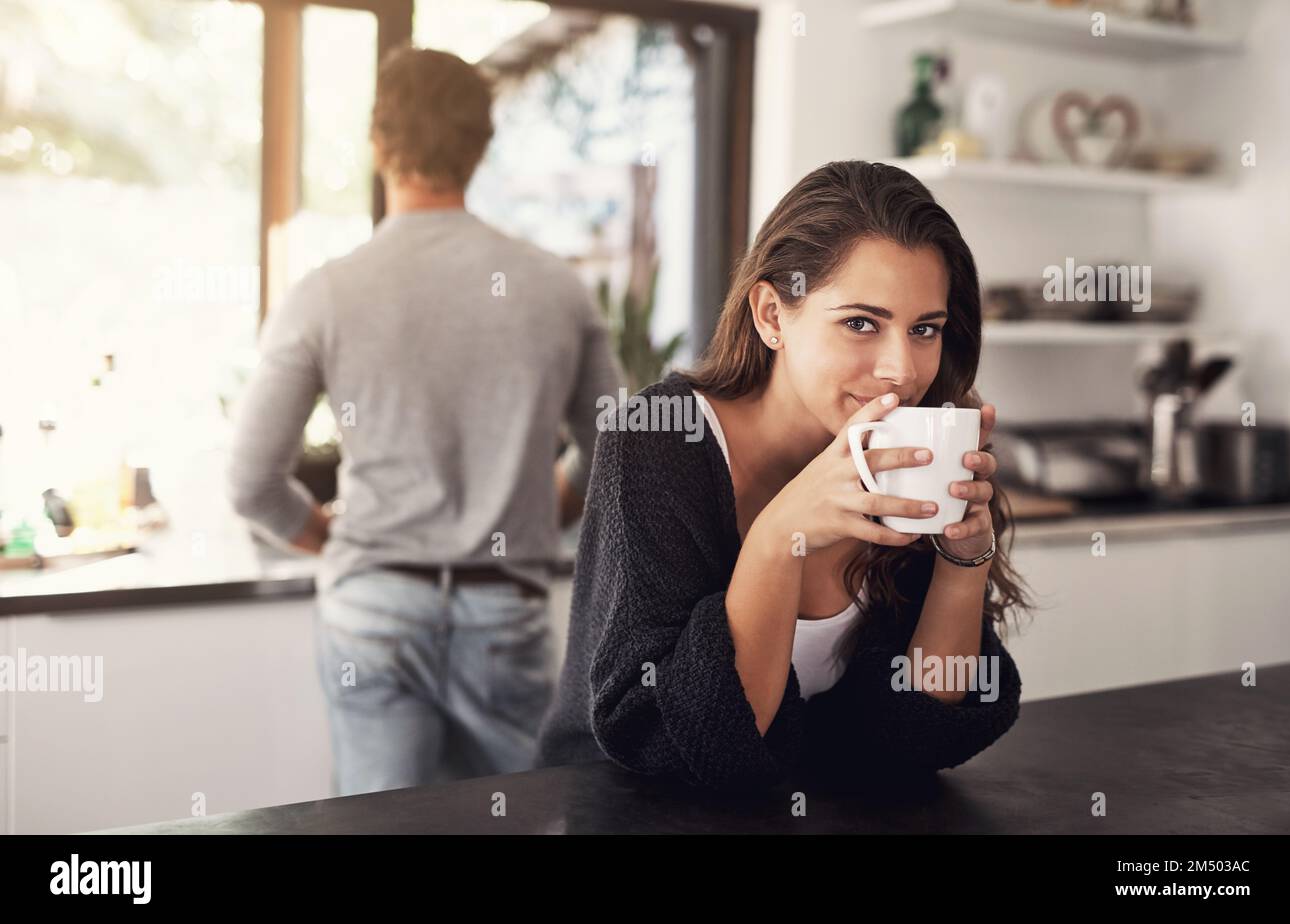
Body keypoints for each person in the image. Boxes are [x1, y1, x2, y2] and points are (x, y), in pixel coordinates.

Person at [536, 160, 1034, 792]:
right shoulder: (658, 440)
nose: (900, 371)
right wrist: (779, 537)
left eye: (924, 330)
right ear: (772, 315)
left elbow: (918, 734)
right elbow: (679, 743)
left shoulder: (915, 444)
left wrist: (962, 562)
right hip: (618, 805)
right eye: (861, 323)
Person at [227, 47, 622, 795]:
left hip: (373, 611)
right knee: (520, 818)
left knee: (383, 827)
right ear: (481, 146)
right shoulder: (554, 289)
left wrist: (329, 536)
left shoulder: (329, 293)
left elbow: (251, 482)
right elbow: (616, 450)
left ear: (378, 144)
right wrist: (546, 503)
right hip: (504, 613)